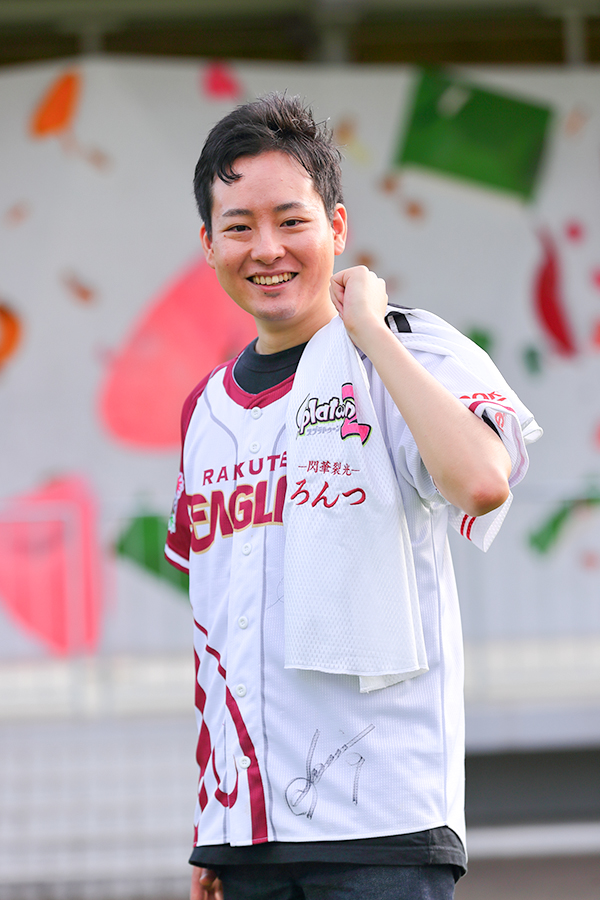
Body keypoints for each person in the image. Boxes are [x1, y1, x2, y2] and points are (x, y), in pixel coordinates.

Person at [165, 93, 540, 900]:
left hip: (383, 828)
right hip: (249, 836)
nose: (267, 249)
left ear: (337, 228)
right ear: (209, 244)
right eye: (239, 227)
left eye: (291, 221)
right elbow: (218, 624)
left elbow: (482, 483)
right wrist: (214, 821)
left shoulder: (404, 348)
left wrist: (368, 331)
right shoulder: (205, 412)